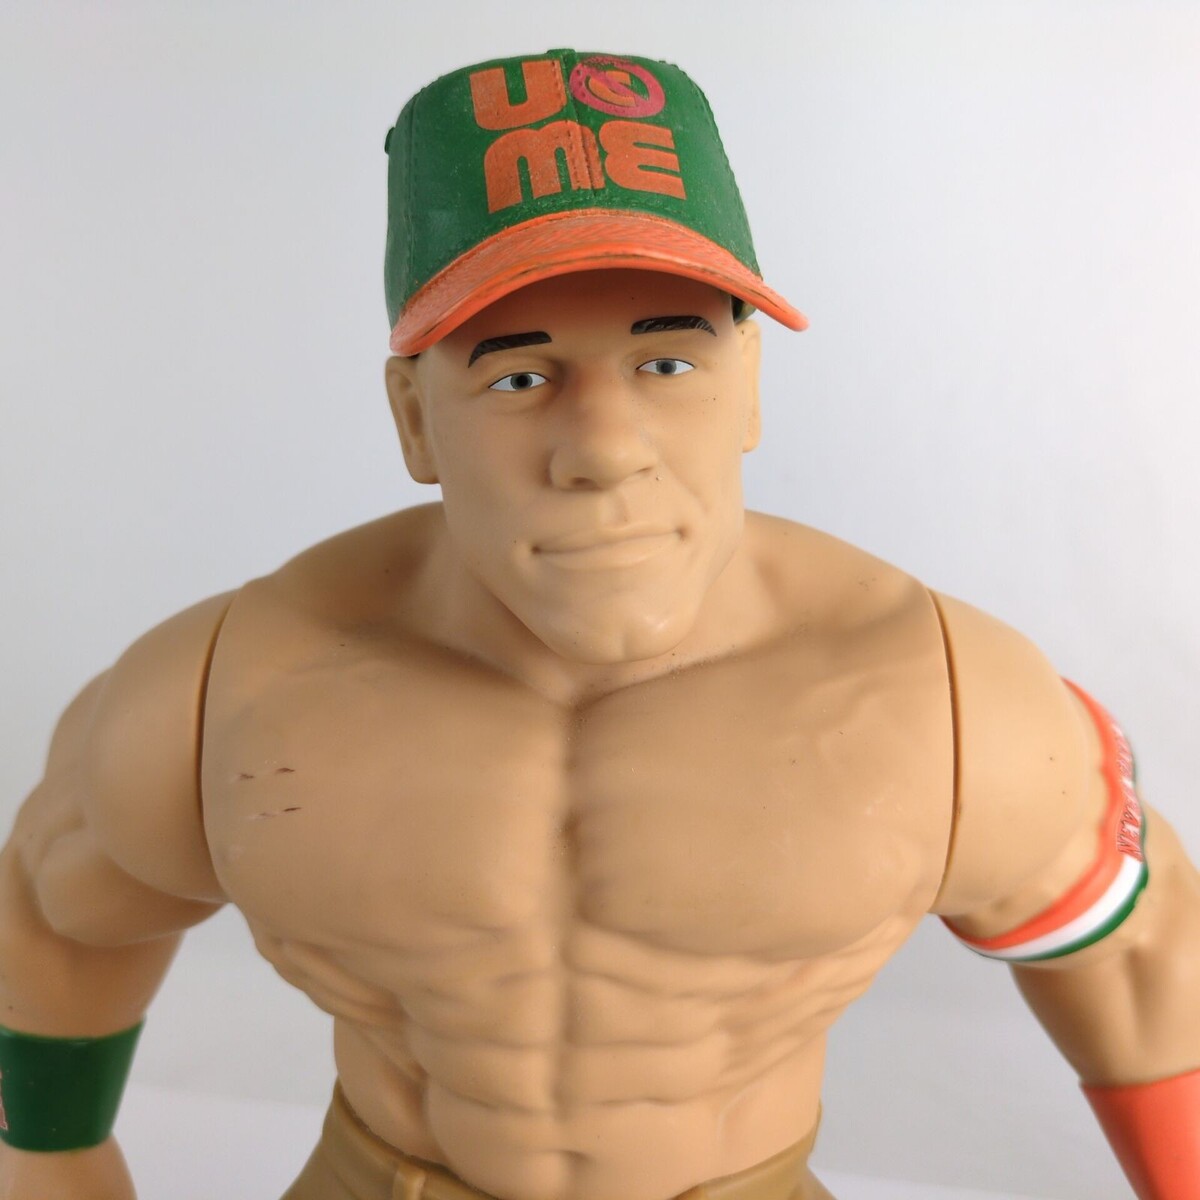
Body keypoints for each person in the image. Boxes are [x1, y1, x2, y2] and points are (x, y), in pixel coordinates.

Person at [0, 49, 1196, 1200]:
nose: (605, 451)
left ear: (749, 386)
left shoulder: (950, 703)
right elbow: (58, 916)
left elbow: (1142, 967)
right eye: (518, 379)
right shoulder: (221, 692)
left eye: (667, 364)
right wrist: (48, 1162)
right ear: (414, 419)